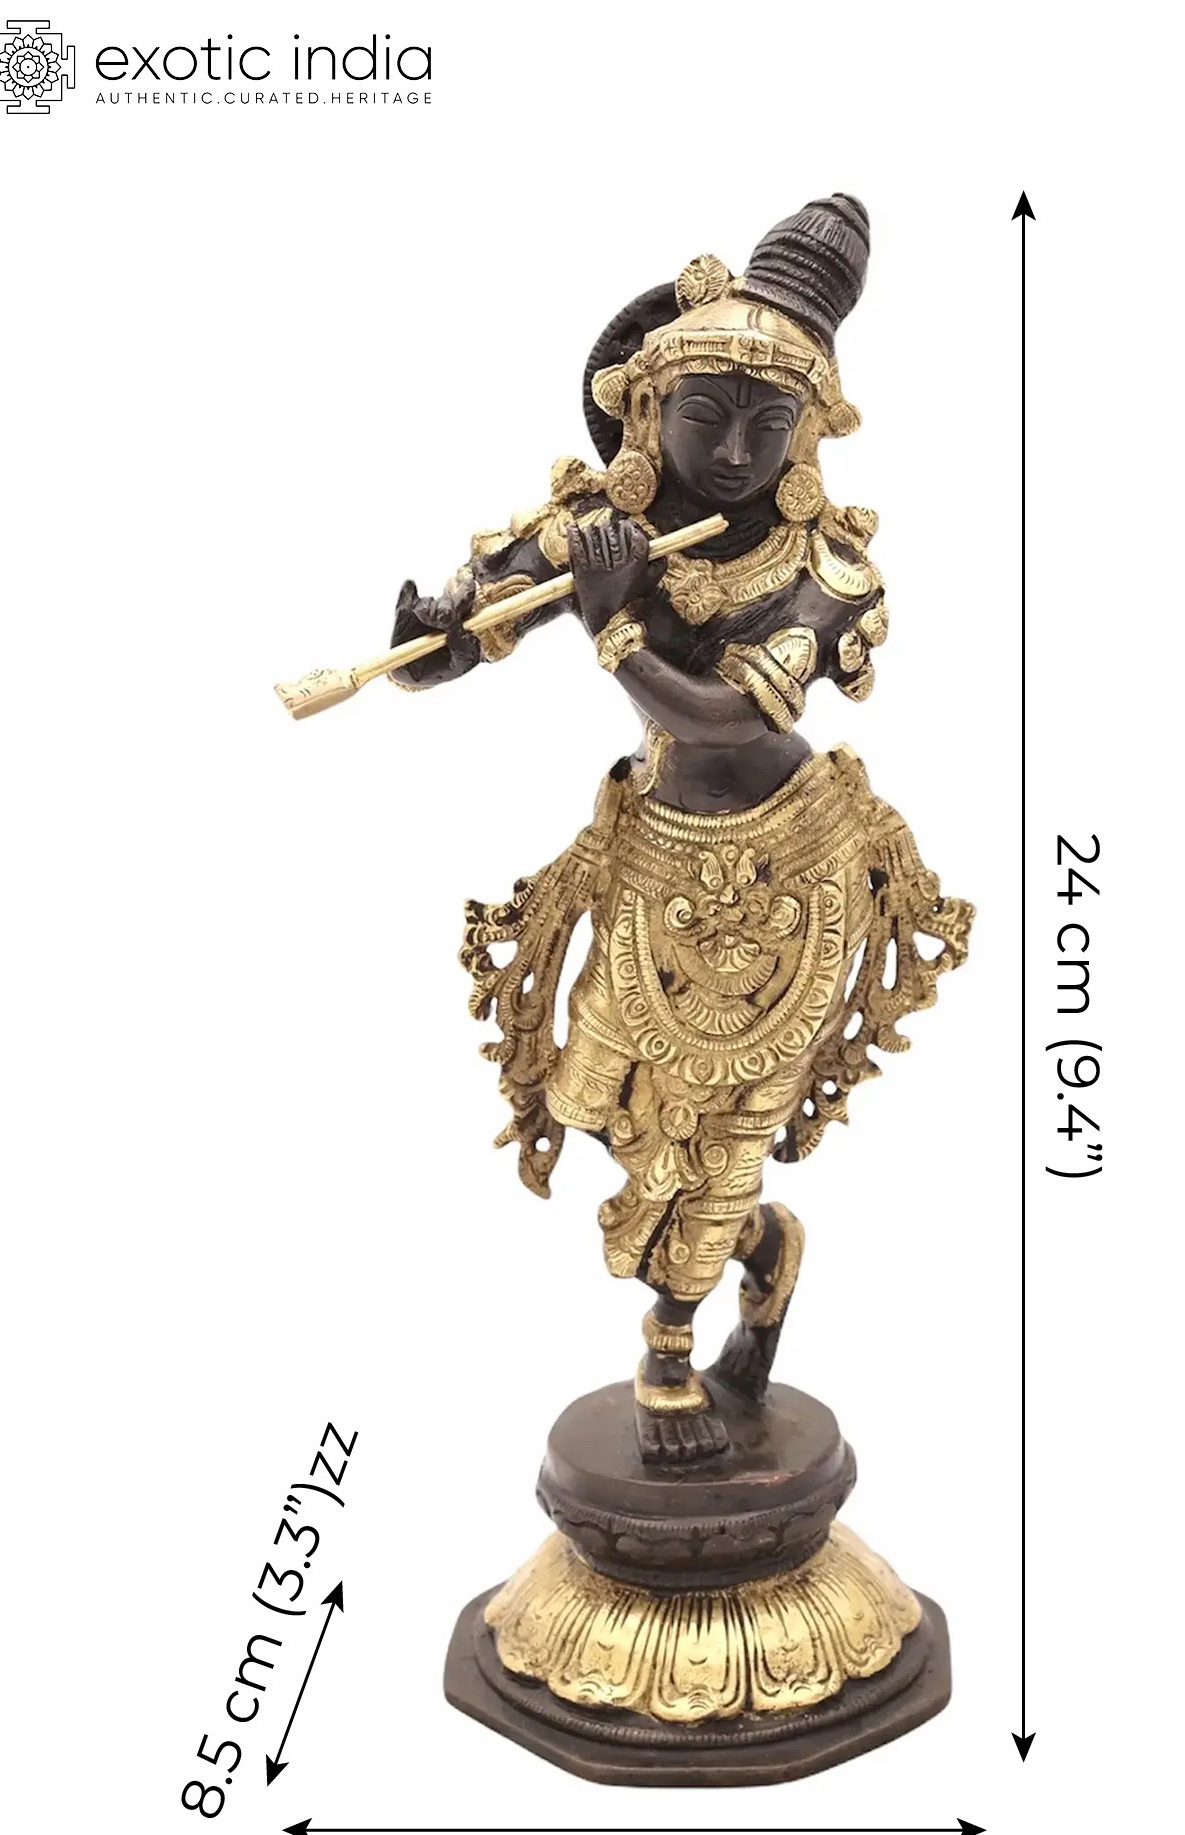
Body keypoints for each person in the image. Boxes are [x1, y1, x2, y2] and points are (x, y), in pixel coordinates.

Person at [391, 195, 972, 1463]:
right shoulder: (612, 525)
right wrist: (431, 635)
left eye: (771, 425)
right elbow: (466, 627)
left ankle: (672, 1352)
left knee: (722, 1130)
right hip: (652, 853)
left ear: (809, 434)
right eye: (707, 418)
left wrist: (615, 623)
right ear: (648, 411)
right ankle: (768, 1247)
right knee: (600, 1102)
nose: (737, 452)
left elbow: (718, 716)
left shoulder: (827, 572)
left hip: (792, 870)